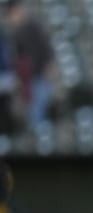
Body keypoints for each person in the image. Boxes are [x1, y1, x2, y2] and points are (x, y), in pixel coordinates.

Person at [5, 0, 54, 130]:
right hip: (28, 79)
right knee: (34, 113)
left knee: (39, 111)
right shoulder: (15, 34)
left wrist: (49, 65)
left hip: (39, 75)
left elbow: (46, 47)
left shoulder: (32, 26)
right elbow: (17, 59)